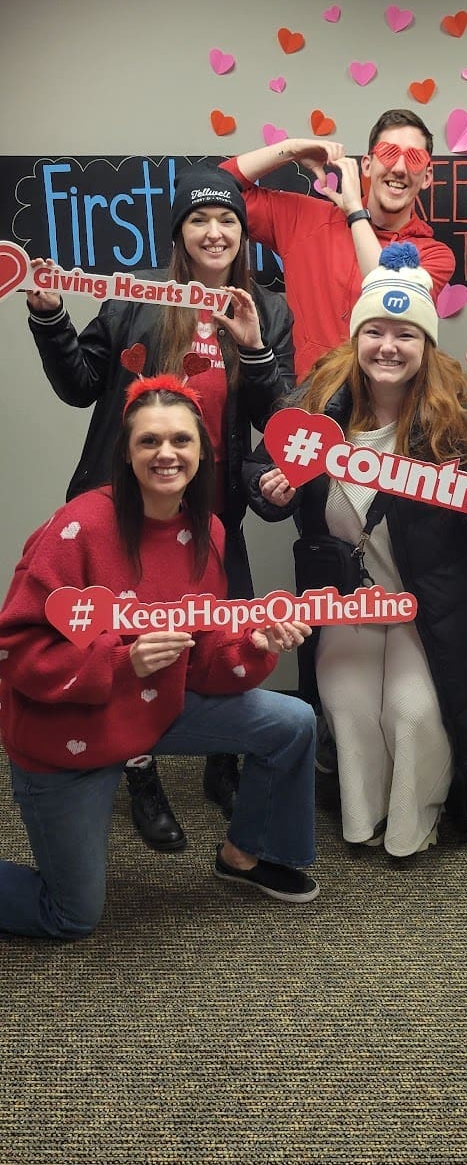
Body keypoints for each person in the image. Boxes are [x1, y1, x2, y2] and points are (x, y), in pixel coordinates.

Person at [25, 165, 295, 851]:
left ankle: (223, 762)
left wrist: (254, 348)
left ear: (243, 233)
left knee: (221, 629)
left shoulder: (271, 307)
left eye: (227, 220)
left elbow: (279, 417)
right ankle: (139, 774)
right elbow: (81, 384)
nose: (214, 232)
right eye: (199, 221)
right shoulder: (136, 302)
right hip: (122, 512)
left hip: (211, 512)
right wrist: (50, 315)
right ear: (179, 233)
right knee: (122, 640)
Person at [0, 377, 317, 941]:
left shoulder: (208, 532)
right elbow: (17, 649)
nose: (166, 454)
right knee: (71, 917)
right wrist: (122, 663)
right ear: (126, 451)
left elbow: (205, 658)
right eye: (149, 441)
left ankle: (246, 854)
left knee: (292, 722)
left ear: (202, 451)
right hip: (67, 735)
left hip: (155, 709)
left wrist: (254, 644)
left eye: (180, 440)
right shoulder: (76, 528)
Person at [245, 244, 467, 859]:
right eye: (375, 330)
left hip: (427, 606)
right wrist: (272, 486)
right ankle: (363, 818)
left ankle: (411, 824)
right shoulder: (312, 410)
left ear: (426, 346)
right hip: (348, 603)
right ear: (357, 338)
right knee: (346, 707)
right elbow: (261, 481)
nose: (388, 346)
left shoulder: (461, 427)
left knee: (414, 713)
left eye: (406, 334)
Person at [221, 109, 456, 381]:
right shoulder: (306, 220)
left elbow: (387, 297)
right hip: (312, 409)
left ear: (427, 177)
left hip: (387, 412)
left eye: (414, 159)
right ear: (367, 165)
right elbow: (216, 188)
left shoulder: (433, 256)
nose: (400, 169)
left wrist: (356, 211)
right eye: (389, 153)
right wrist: (291, 149)